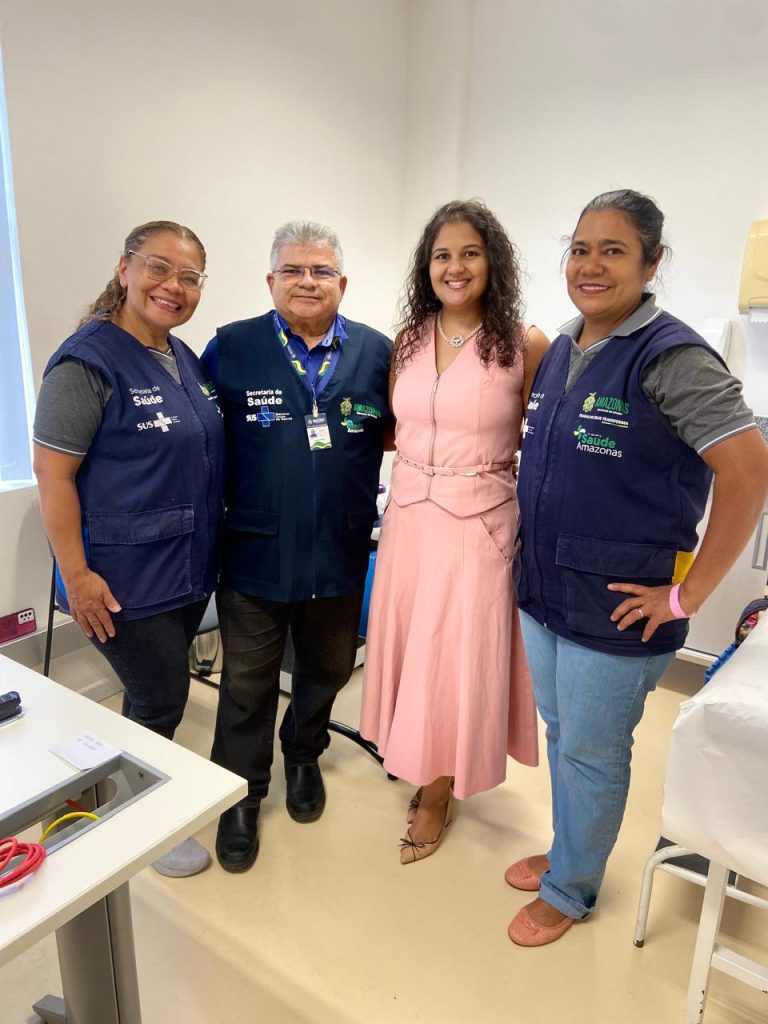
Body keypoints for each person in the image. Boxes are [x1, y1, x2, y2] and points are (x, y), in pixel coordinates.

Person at [508, 189, 768, 946]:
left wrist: (687, 595)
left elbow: (750, 471)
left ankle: (571, 888)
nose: (591, 265)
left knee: (592, 751)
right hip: (546, 591)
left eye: (614, 250)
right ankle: (568, 850)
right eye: (580, 249)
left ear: (652, 263)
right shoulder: (562, 348)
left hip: (619, 606)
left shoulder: (671, 357)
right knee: (563, 734)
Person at [33, 220, 225, 878]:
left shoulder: (182, 356)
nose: (173, 286)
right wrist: (77, 575)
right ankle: (141, 819)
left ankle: (118, 793)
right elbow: (53, 478)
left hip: (185, 567)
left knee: (154, 697)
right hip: (120, 578)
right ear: (125, 268)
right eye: (158, 267)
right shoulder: (86, 363)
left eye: (190, 277)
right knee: (161, 696)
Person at [360, 199, 549, 864]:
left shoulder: (524, 343)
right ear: (427, 267)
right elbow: (397, 427)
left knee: (453, 659)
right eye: (442, 255)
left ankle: (438, 789)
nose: (455, 266)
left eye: (470, 252)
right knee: (413, 651)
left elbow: (543, 439)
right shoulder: (409, 340)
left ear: (492, 262)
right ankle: (415, 755)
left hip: (479, 525)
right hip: (409, 518)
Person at [204, 220, 392, 872]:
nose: (306, 281)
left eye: (320, 270)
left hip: (338, 548)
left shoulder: (376, 353)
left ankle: (304, 752)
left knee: (329, 669)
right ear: (271, 281)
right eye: (292, 270)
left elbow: (403, 433)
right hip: (255, 549)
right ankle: (241, 794)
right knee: (247, 681)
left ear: (343, 282)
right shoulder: (231, 347)